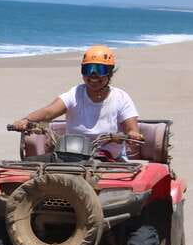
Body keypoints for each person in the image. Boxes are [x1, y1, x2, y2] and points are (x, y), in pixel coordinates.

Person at [10, 45, 143, 160]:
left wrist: (132, 135)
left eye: (100, 70)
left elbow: (132, 130)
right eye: (88, 69)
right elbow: (48, 112)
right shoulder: (74, 94)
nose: (93, 75)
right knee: (32, 166)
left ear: (109, 73)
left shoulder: (121, 97)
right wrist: (26, 120)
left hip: (108, 158)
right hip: (71, 154)